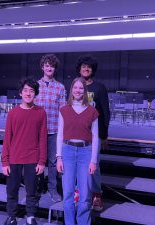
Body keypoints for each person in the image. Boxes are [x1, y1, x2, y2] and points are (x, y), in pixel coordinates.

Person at [1, 78, 47, 225]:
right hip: (14, 158)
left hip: (32, 158)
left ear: (36, 94)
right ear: (20, 93)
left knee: (31, 190)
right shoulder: (13, 113)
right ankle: (12, 216)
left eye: (32, 91)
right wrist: (5, 161)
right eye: (26, 90)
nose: (28, 93)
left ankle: (30, 216)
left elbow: (43, 139)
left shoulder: (41, 113)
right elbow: (7, 138)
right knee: (12, 190)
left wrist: (41, 161)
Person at [56, 77, 99, 225]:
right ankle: (69, 223)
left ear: (85, 91)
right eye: (75, 88)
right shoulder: (64, 109)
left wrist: (93, 161)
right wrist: (59, 157)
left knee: (85, 194)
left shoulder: (92, 111)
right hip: (67, 152)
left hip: (85, 153)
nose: (78, 90)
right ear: (71, 90)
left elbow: (95, 137)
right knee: (67, 193)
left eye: (81, 88)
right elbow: (60, 134)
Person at [76, 54, 110, 211]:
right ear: (79, 69)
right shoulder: (75, 85)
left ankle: (96, 195)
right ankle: (79, 192)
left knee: (93, 165)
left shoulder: (100, 87)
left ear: (92, 70)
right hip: (76, 134)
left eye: (89, 67)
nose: (86, 68)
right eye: (83, 66)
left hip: (94, 135)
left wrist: (104, 135)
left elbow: (105, 112)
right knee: (77, 165)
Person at [34, 54, 66, 202]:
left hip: (54, 131)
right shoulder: (35, 85)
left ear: (55, 68)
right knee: (37, 160)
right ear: (42, 67)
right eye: (46, 65)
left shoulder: (60, 87)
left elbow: (63, 110)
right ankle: (38, 187)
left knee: (53, 162)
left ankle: (53, 189)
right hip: (37, 131)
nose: (49, 68)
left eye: (51, 66)